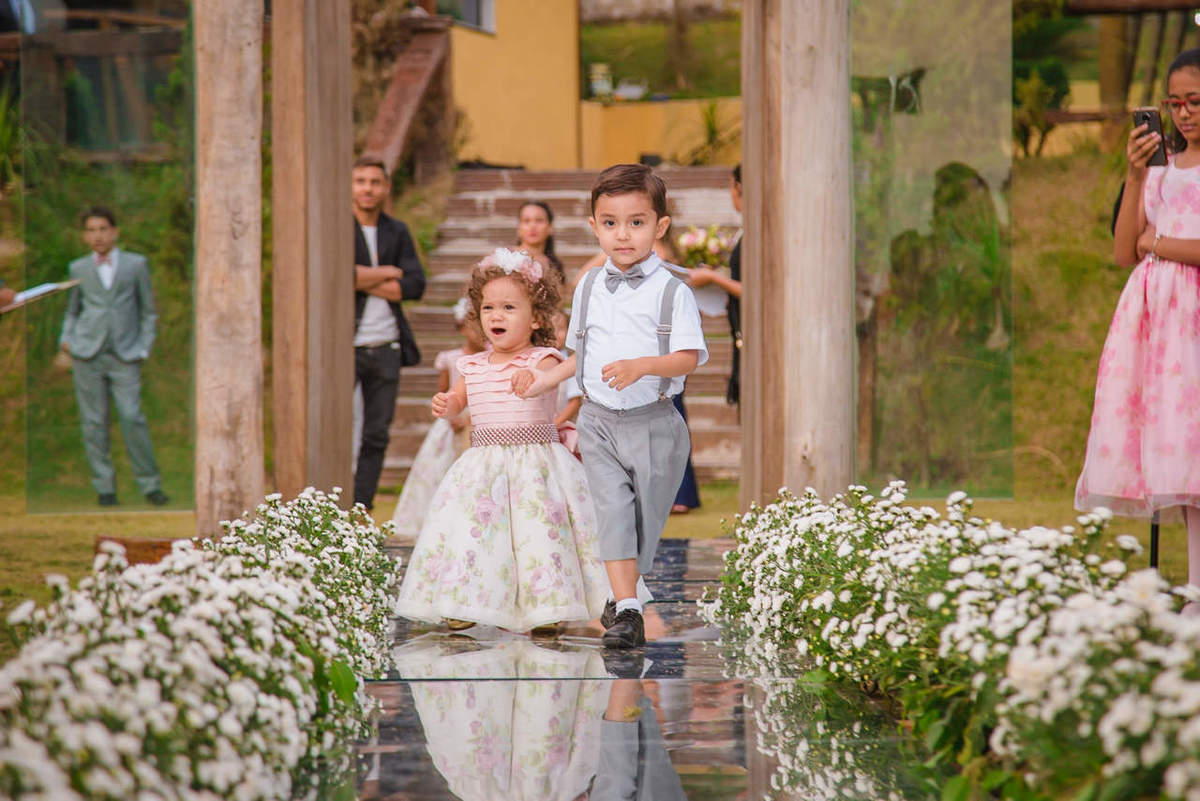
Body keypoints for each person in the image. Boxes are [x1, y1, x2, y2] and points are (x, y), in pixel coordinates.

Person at [514, 163, 708, 649]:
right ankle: (627, 611)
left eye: (636, 222)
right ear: (594, 225)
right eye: (611, 222)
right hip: (597, 421)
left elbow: (688, 357)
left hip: (656, 423)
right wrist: (542, 381)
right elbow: (579, 356)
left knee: (645, 522)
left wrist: (643, 365)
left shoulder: (673, 292)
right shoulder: (590, 287)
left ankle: (622, 594)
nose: (623, 234)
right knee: (613, 512)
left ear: (659, 227)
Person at [395, 248, 609, 632]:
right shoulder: (473, 366)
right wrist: (447, 404)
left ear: (536, 318)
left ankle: (547, 605)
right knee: (474, 533)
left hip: (535, 466)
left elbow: (550, 381)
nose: (497, 315)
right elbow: (460, 401)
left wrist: (533, 380)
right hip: (483, 466)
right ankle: (463, 601)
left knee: (539, 533)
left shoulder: (544, 358)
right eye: (489, 308)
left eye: (509, 308)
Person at [1076, 48, 1200, 605]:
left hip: (1193, 323)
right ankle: (1195, 592)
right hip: (1159, 331)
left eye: (1195, 101)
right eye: (1174, 103)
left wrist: (1160, 244)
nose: (1183, 114)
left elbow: (1155, 245)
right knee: (1182, 457)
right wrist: (1133, 171)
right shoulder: (1159, 172)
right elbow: (1126, 248)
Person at [571, 228, 701, 515]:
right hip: (621, 374)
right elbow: (580, 279)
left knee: (666, 432)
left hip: (657, 362)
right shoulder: (613, 258)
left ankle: (676, 493)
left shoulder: (658, 256)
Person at [58, 206, 167, 507]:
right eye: (91, 230)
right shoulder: (78, 268)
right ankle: (105, 487)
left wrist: (143, 345)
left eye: (103, 229)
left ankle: (150, 485)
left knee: (132, 416)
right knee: (93, 421)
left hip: (125, 352)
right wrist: (66, 338)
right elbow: (73, 309)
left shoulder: (135, 264)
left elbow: (148, 311)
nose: (98, 236)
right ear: (84, 235)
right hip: (88, 352)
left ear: (115, 232)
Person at [352, 154, 426, 511]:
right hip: (344, 346)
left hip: (387, 345)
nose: (368, 188)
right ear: (351, 186)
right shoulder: (338, 228)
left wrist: (362, 278)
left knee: (376, 433)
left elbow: (414, 285)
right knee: (340, 430)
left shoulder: (396, 230)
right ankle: (329, 501)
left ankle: (361, 507)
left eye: (375, 182)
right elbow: (337, 276)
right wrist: (388, 273)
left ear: (385, 188)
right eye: (361, 181)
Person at [389, 297, 486, 542]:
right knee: (439, 469)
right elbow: (443, 391)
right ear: (461, 327)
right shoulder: (450, 357)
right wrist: (450, 414)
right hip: (452, 420)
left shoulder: (491, 358)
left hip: (478, 420)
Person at [687, 163, 744, 406]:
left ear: (739, 187)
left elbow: (758, 291)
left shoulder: (757, 232)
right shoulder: (745, 230)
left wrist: (713, 278)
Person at [515, 200, 566, 287]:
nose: (532, 226)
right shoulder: (505, 258)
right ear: (519, 229)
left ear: (550, 228)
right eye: (526, 221)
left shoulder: (552, 265)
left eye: (539, 220)